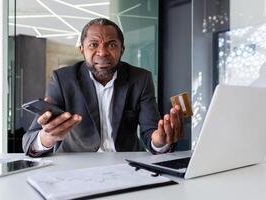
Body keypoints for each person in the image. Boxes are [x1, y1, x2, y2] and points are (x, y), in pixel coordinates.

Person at [22, 18, 185, 157]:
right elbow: (29, 142)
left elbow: (151, 134)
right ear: (82, 50)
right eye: (93, 45)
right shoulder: (62, 79)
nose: (102, 52)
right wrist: (47, 137)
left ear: (122, 50)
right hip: (77, 165)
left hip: (125, 164)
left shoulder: (140, 79)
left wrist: (160, 142)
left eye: (112, 45)